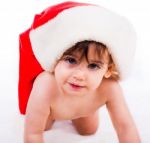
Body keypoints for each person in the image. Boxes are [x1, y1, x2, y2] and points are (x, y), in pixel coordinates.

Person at [18, 1, 141, 143]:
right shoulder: (45, 85)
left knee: (89, 130)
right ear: (56, 58)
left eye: (93, 66)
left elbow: (125, 127)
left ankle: (80, 114)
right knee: (43, 126)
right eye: (71, 61)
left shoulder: (109, 88)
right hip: (53, 109)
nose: (79, 75)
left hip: (85, 109)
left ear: (108, 69)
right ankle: (50, 116)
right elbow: (33, 134)